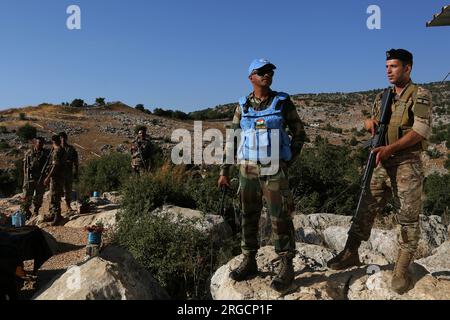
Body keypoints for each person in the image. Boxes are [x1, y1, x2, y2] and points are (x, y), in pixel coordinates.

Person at [327, 49, 433, 294]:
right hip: (381, 162)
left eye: (394, 66)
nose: (389, 70)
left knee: (407, 216)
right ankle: (350, 252)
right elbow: (373, 121)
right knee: (365, 206)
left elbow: (420, 132)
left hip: (406, 163)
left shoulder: (420, 95)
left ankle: (402, 269)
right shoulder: (383, 97)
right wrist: (368, 124)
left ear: (408, 68)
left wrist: (390, 149)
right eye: (387, 66)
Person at [218, 58, 307, 292]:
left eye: (269, 71)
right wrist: (224, 172)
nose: (267, 75)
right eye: (261, 72)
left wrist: (288, 160)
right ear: (251, 77)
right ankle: (249, 259)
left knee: (280, 216)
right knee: (248, 214)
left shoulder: (282, 103)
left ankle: (286, 264)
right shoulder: (242, 106)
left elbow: (299, 134)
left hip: (274, 168)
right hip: (247, 168)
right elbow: (233, 139)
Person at [21, 137, 50, 219]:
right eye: (38, 142)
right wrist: (25, 176)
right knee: (26, 195)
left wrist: (46, 176)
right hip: (30, 177)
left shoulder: (46, 153)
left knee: (39, 196)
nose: (40, 144)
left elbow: (49, 165)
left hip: (40, 178)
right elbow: (25, 165)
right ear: (35, 143)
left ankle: (36, 211)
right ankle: (26, 211)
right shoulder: (29, 152)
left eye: (42, 143)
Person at [43, 135, 66, 226]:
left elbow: (55, 166)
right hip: (60, 176)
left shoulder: (57, 151)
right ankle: (53, 214)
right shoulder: (62, 150)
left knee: (55, 195)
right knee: (54, 195)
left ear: (53, 142)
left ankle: (57, 215)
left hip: (56, 176)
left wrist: (48, 177)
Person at [59, 132, 79, 211]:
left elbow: (76, 161)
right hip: (59, 173)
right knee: (58, 190)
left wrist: (76, 172)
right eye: (61, 138)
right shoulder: (56, 148)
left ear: (66, 139)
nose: (63, 139)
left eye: (64, 138)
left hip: (68, 172)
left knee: (68, 190)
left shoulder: (71, 149)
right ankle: (57, 207)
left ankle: (68, 205)